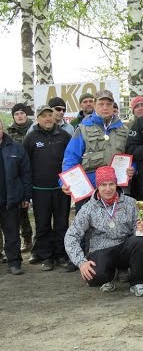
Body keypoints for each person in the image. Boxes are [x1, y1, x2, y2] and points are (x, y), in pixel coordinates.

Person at [64, 166, 143, 296]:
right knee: (93, 278)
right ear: (97, 186)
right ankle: (108, 277)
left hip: (124, 247)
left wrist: (141, 229)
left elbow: (136, 230)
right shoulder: (88, 208)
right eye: (103, 185)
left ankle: (137, 282)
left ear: (116, 184)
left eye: (111, 184)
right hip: (101, 250)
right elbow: (71, 236)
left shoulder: (131, 203)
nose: (108, 189)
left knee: (140, 241)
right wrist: (81, 262)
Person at [62, 90, 133, 212]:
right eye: (101, 104)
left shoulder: (124, 129)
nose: (105, 107)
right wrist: (65, 182)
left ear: (113, 106)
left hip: (116, 189)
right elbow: (71, 157)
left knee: (117, 227)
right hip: (89, 189)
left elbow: (131, 155)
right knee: (88, 228)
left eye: (108, 104)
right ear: (95, 105)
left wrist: (133, 168)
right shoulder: (83, 128)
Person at [23, 105, 72, 271]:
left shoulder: (64, 136)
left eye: (50, 115)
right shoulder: (30, 138)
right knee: (42, 224)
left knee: (61, 223)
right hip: (39, 190)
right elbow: (25, 165)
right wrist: (27, 191)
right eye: (43, 116)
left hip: (61, 190)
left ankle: (61, 255)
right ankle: (46, 257)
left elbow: (72, 160)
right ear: (38, 118)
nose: (48, 118)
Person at [0, 119, 32, 275]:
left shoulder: (16, 148)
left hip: (10, 201)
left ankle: (14, 263)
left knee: (12, 234)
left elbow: (26, 174)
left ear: (2, 128)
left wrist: (26, 196)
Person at [6, 103, 34, 253]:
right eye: (16, 114)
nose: (20, 116)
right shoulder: (9, 133)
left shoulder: (34, 129)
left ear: (26, 114)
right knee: (20, 211)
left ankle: (33, 240)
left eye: (22, 113)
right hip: (17, 175)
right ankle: (26, 240)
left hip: (34, 173)